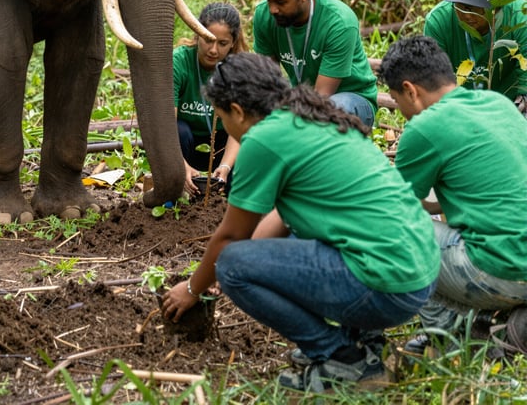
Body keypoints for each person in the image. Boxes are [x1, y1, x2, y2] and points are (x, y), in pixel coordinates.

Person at [161, 53, 439, 394]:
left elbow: (231, 238)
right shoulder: (314, 118)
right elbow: (278, 219)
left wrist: (192, 288)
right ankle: (367, 343)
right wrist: (242, 266)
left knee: (232, 265)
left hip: (386, 285)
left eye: (221, 116)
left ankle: (342, 357)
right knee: (252, 257)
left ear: (236, 111)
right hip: (419, 273)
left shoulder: (263, 139)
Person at [378, 36, 527, 352]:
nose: (399, 110)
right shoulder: (497, 102)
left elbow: (393, 211)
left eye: (396, 99)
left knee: (397, 233)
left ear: (410, 91)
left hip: (505, 267)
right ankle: (503, 322)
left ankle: (455, 339)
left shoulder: (423, 128)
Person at [252, 0, 378, 128]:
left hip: (351, 99)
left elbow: (321, 98)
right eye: (268, 0)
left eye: (280, 2)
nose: (272, 9)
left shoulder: (338, 21)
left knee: (328, 114)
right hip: (301, 97)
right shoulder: (264, 16)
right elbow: (266, 82)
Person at [424, 0, 527, 113]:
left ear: (495, 5)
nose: (467, 15)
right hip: (462, 108)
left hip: (511, 105)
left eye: (475, 7)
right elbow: (435, 84)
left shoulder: (518, 14)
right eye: (461, 6)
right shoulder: (438, 22)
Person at [174, 2, 247, 193]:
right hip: (183, 147)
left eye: (222, 44)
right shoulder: (179, 62)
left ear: (232, 43)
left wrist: (225, 167)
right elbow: (164, 124)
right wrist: (181, 166)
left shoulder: (239, 70)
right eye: (208, 40)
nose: (213, 50)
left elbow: (239, 129)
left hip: (222, 148)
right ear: (197, 34)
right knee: (179, 130)